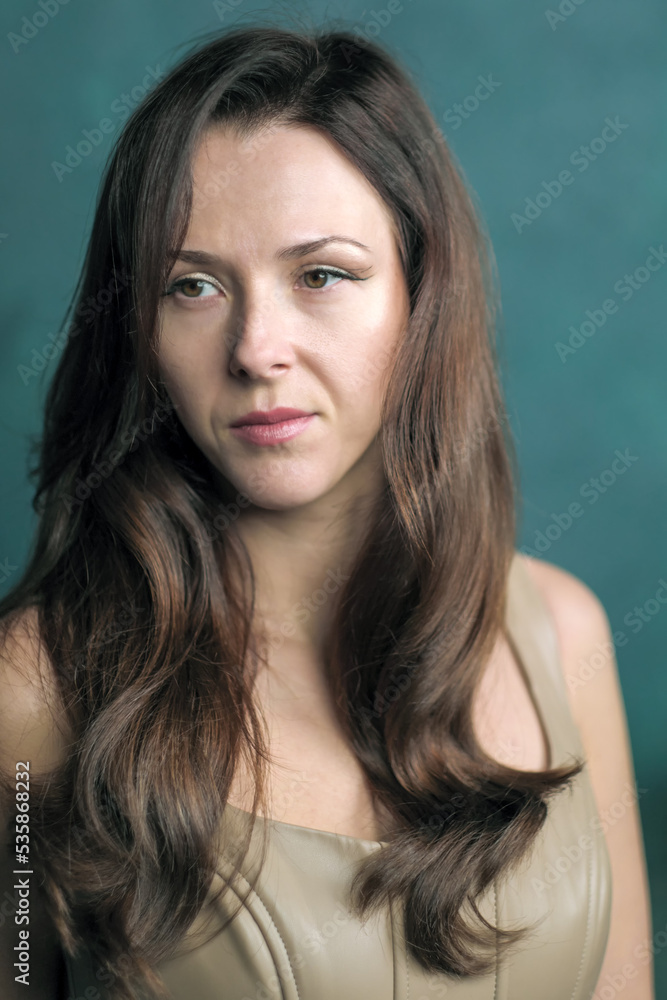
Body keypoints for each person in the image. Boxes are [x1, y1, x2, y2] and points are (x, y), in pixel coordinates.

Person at [0, 22, 653, 1000]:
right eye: (192, 286)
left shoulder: (563, 633)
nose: (256, 347)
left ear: (421, 294)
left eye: (321, 274)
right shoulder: (31, 690)